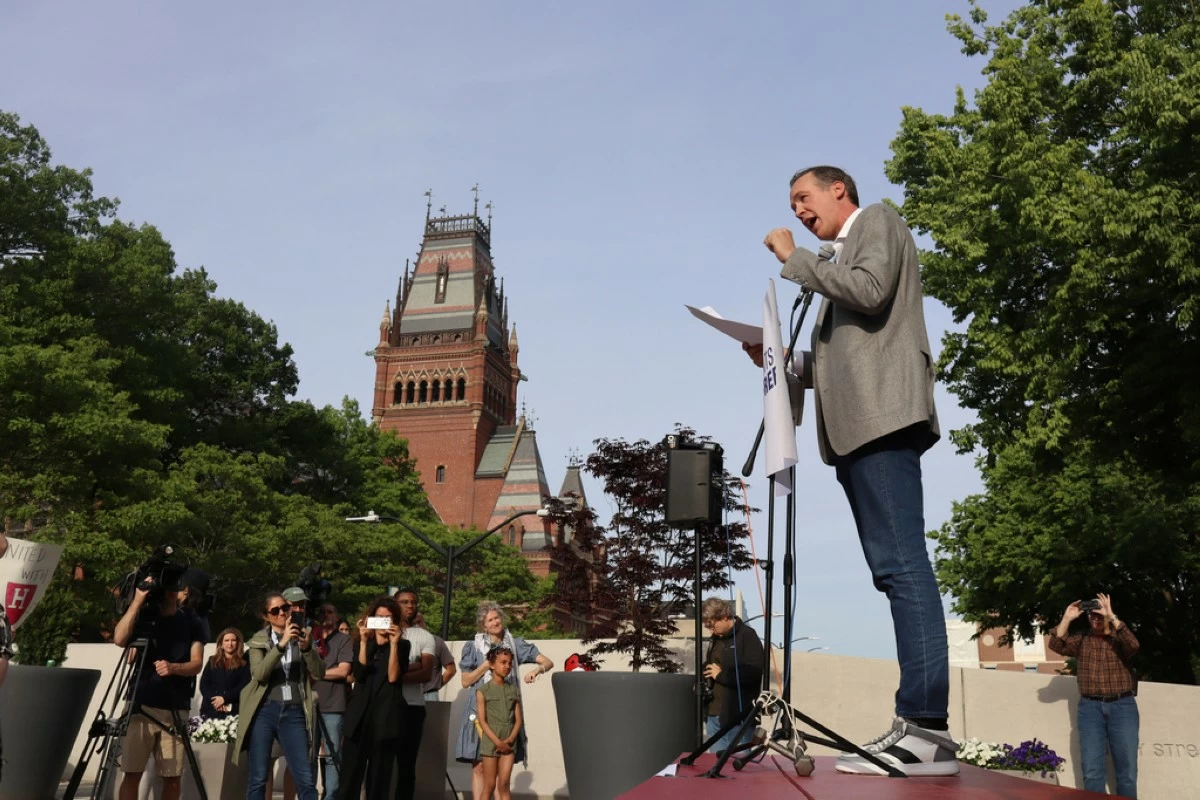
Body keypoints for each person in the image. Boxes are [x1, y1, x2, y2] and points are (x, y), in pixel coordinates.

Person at [750, 165, 957, 776]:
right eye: (792, 206)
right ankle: (920, 727)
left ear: (839, 189)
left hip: (883, 422)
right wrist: (782, 361)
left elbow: (868, 291)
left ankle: (927, 730)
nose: (798, 213)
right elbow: (846, 361)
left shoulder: (878, 222)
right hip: (858, 428)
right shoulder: (836, 259)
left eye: (803, 198)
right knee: (892, 571)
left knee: (903, 568)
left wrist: (796, 260)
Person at [112, 571, 206, 800]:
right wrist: (137, 601)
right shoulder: (145, 615)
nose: (173, 590)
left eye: (176, 586)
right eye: (168, 586)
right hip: (140, 704)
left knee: (172, 779)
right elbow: (119, 639)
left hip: (175, 708)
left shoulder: (193, 619)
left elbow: (196, 664)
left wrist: (173, 668)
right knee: (132, 773)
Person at [234, 588, 325, 800]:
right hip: (265, 710)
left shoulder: (303, 635)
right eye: (275, 611)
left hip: (294, 710)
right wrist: (281, 644)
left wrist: (307, 649)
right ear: (266, 616)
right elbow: (259, 674)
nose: (283, 613)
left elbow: (319, 672)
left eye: (285, 607)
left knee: (304, 777)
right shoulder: (258, 641)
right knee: (258, 777)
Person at [455, 601, 553, 800]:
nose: (495, 622)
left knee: (502, 774)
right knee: (479, 767)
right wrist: (487, 664)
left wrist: (536, 670)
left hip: (506, 712)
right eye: (490, 619)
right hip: (479, 711)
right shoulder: (473, 646)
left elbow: (547, 661)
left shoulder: (514, 645)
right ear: (484, 625)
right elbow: (465, 681)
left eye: (497, 617)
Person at [1047, 594, 1140, 797]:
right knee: (1091, 771)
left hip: (1122, 706)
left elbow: (1134, 645)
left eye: (1099, 616)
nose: (1096, 620)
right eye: (1092, 616)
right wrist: (1067, 618)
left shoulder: (1118, 639)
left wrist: (1111, 615)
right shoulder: (1082, 640)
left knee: (1128, 771)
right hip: (1090, 708)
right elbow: (1056, 645)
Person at [337, 596, 410, 800]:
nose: (383, 622)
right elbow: (358, 674)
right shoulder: (362, 643)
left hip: (385, 719)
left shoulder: (403, 646)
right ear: (371, 619)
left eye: (388, 618)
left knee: (379, 780)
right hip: (359, 718)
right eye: (379, 617)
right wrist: (362, 641)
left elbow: (394, 677)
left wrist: (393, 644)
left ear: (395, 620)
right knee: (349, 779)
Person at [700, 597, 764, 756]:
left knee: (737, 769)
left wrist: (720, 675)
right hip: (714, 715)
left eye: (712, 625)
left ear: (724, 617)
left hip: (738, 716)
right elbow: (714, 667)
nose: (711, 630)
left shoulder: (747, 636)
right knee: (716, 765)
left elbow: (754, 672)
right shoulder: (716, 639)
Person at [392, 588, 436, 799]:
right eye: (404, 602)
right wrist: (412, 666)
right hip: (386, 706)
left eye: (413, 602)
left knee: (406, 765)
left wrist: (393, 677)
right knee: (379, 762)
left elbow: (426, 673)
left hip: (413, 707)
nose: (410, 606)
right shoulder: (383, 631)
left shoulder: (424, 636)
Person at [313, 602, 353, 800]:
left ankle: (331, 797)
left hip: (333, 706)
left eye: (330, 612)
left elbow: (344, 671)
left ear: (337, 616)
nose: (326, 615)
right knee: (307, 756)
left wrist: (316, 674)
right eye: (322, 611)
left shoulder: (344, 640)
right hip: (308, 706)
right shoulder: (309, 638)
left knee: (333, 756)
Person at [475, 648, 523, 800]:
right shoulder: (483, 691)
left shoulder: (513, 690)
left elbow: (518, 720)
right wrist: (497, 742)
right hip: (491, 742)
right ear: (491, 664)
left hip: (509, 742)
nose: (507, 666)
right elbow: (482, 721)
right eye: (503, 662)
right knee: (489, 785)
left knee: (504, 784)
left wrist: (509, 740)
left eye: (509, 663)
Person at [199, 627, 250, 720]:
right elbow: (204, 684)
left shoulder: (244, 664)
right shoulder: (212, 661)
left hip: (233, 712)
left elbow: (243, 685)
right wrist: (216, 701)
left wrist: (224, 699)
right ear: (221, 644)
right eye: (226, 640)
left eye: (233, 640)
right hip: (210, 710)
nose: (230, 644)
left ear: (238, 643)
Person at [413, 612, 456, 702]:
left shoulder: (437, 642)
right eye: (413, 623)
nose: (417, 626)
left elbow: (451, 669)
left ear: (424, 623)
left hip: (430, 695)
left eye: (419, 622)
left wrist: (436, 685)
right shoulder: (403, 642)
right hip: (408, 693)